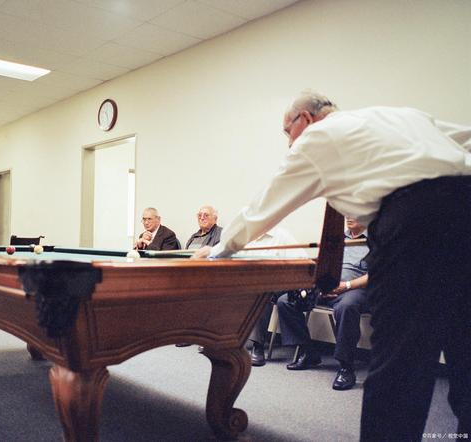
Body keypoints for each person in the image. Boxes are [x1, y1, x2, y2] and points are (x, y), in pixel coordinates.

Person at [193, 92, 471, 440]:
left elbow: (264, 206)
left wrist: (219, 249)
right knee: (466, 351)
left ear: (305, 119)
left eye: (287, 132)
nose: (289, 142)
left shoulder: (318, 137)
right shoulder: (399, 114)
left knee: (400, 365)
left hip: (415, 223)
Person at [276, 218, 368, 390]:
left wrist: (346, 286)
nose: (348, 217)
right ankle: (308, 351)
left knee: (347, 307)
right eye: (346, 213)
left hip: (354, 290)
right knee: (286, 301)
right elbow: (321, 265)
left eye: (353, 212)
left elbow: (376, 273)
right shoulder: (336, 239)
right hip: (327, 287)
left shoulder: (375, 240)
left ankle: (346, 367)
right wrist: (320, 283)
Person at [237, 226, 306, 367]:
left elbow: (303, 259)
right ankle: (224, 339)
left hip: (280, 282)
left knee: (261, 292)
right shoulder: (247, 236)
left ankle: (257, 346)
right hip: (252, 281)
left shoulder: (281, 235)